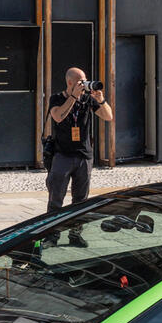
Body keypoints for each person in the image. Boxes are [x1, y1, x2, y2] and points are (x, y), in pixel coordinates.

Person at [46, 67, 113, 245]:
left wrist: (101, 100)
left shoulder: (87, 99)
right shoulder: (57, 98)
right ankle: (52, 235)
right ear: (70, 82)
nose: (84, 84)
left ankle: (75, 234)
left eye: (85, 81)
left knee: (81, 200)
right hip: (62, 155)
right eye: (80, 82)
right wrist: (73, 97)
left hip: (84, 155)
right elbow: (58, 117)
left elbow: (108, 116)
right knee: (56, 198)